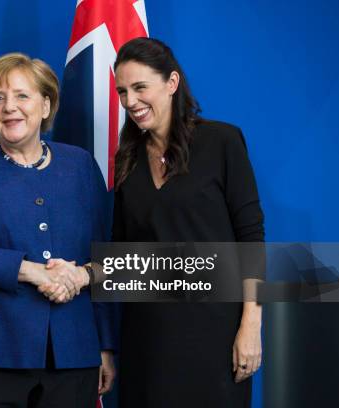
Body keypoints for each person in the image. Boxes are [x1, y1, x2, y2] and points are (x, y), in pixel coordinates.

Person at [0, 52, 116, 407]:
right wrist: (30, 271)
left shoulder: (79, 165)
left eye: (21, 96)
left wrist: (105, 344)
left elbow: (102, 253)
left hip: (73, 353)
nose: (8, 107)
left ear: (46, 106)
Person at [112, 37, 264, 407]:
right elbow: (122, 253)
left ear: (172, 83)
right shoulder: (127, 159)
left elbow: (251, 239)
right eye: (122, 91)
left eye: (140, 87)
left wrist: (251, 325)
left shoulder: (222, 142)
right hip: (146, 340)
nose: (130, 101)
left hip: (215, 335)